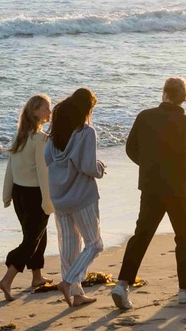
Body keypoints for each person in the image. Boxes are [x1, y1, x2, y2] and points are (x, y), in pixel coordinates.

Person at [111, 77, 186, 310]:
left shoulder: (145, 116)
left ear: (164, 94)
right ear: (184, 97)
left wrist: (147, 167)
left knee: (141, 235)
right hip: (178, 188)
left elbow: (130, 148)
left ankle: (122, 284)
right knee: (184, 236)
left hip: (150, 185)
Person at [45, 88, 106, 307]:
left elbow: (47, 160)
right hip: (82, 197)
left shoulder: (55, 134)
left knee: (69, 246)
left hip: (60, 197)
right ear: (87, 109)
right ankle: (69, 282)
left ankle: (77, 294)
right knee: (94, 244)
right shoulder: (86, 132)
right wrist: (100, 168)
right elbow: (87, 166)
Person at [0, 94, 54, 301]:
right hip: (35, 194)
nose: (50, 112)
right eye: (46, 108)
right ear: (35, 112)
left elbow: (10, 168)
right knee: (31, 240)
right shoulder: (40, 139)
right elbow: (43, 172)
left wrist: (7, 194)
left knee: (38, 235)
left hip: (19, 194)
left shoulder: (19, 135)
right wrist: (48, 201)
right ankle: (7, 279)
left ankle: (37, 277)